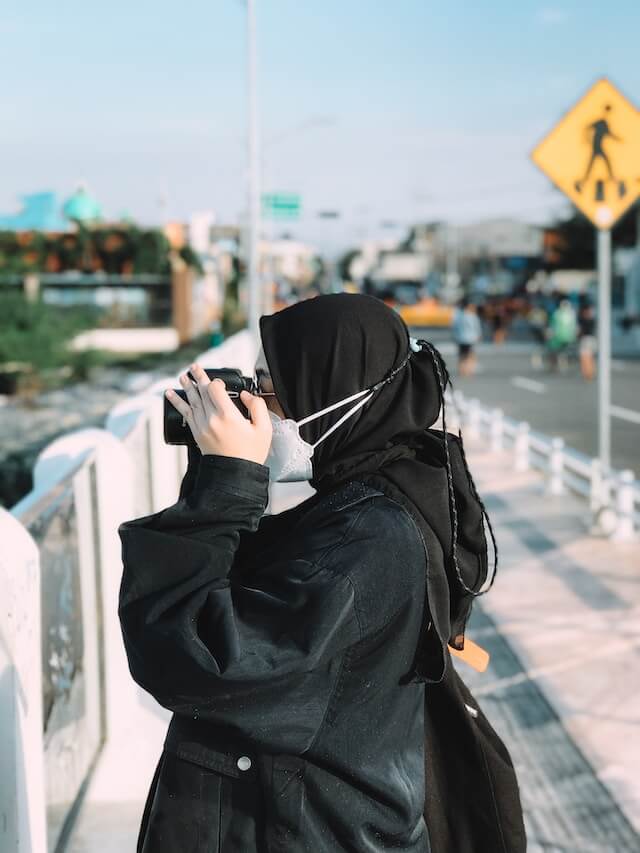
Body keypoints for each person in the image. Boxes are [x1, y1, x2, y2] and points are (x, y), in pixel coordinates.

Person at [118, 293, 526, 852]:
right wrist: (219, 475)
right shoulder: (392, 495)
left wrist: (226, 480)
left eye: (268, 387)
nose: (252, 406)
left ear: (334, 394)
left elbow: (189, 656)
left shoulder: (366, 541)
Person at [452, 297, 482, 376]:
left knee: (462, 355)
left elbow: (455, 327)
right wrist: (478, 336)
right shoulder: (473, 316)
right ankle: (469, 371)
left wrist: (455, 336)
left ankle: (461, 370)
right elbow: (476, 327)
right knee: (470, 355)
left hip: (460, 338)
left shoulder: (458, 316)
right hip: (471, 339)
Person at [546, 298, 577, 371]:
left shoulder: (557, 313)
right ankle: (562, 363)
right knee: (561, 351)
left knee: (554, 350)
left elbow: (552, 325)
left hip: (559, 337)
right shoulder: (571, 313)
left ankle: (555, 364)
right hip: (568, 337)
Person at [577, 297, 597, 381]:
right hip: (592, 339)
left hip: (586, 339)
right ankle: (590, 373)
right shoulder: (593, 319)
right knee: (590, 357)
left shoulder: (582, 319)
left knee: (585, 357)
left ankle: (587, 373)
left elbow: (580, 331)